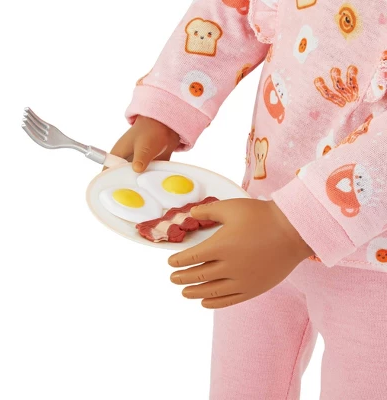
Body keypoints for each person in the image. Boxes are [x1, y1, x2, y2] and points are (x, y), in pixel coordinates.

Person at [108, 0, 387, 398]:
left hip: (374, 264)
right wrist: (168, 108)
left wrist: (292, 226)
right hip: (258, 219)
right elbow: (234, 8)